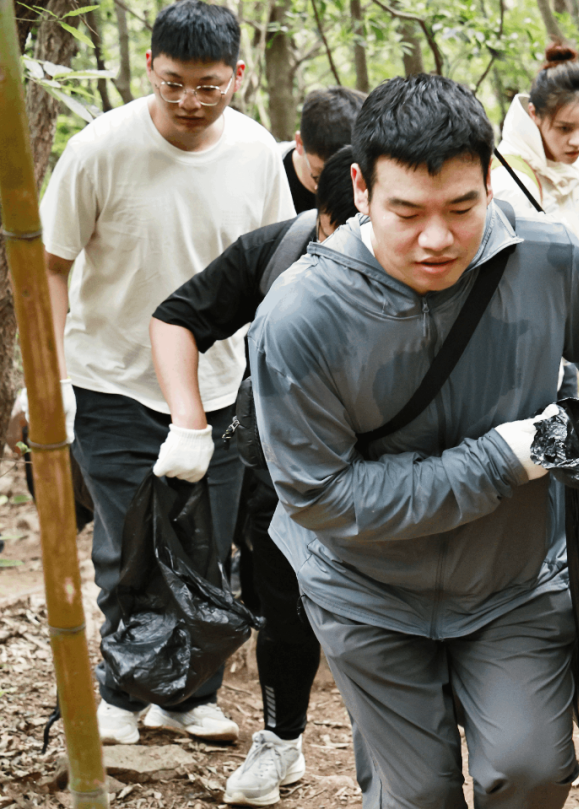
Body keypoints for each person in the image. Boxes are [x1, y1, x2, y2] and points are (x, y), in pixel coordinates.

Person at [248, 73, 579, 809]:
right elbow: (321, 494)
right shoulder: (301, 316)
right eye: (407, 212)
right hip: (367, 593)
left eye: (462, 206)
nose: (437, 238)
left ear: (490, 179)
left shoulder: (541, 255)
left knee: (530, 770)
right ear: (360, 187)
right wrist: (502, 459)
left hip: (516, 579)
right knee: (418, 795)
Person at [40, 0, 295, 746]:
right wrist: (50, 374)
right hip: (112, 376)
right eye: (174, 82)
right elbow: (53, 263)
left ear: (238, 78)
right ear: (150, 67)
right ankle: (121, 689)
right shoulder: (100, 148)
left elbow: (274, 270)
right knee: (126, 544)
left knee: (206, 548)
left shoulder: (255, 155)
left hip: (216, 384)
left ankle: (187, 693)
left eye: (208, 85)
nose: (189, 101)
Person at [150, 146, 358, 806]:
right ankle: (282, 740)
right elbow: (176, 316)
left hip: (391, 474)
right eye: (345, 231)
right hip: (279, 469)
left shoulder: (432, 260)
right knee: (284, 613)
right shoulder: (275, 252)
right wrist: (189, 420)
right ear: (322, 216)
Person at [491, 41, 579, 303]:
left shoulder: (571, 162)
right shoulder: (510, 182)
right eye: (564, 128)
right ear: (534, 114)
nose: (577, 141)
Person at [280, 87, 367, 212]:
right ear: (299, 143)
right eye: (320, 175)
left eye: (346, 175)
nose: (333, 186)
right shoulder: (270, 176)